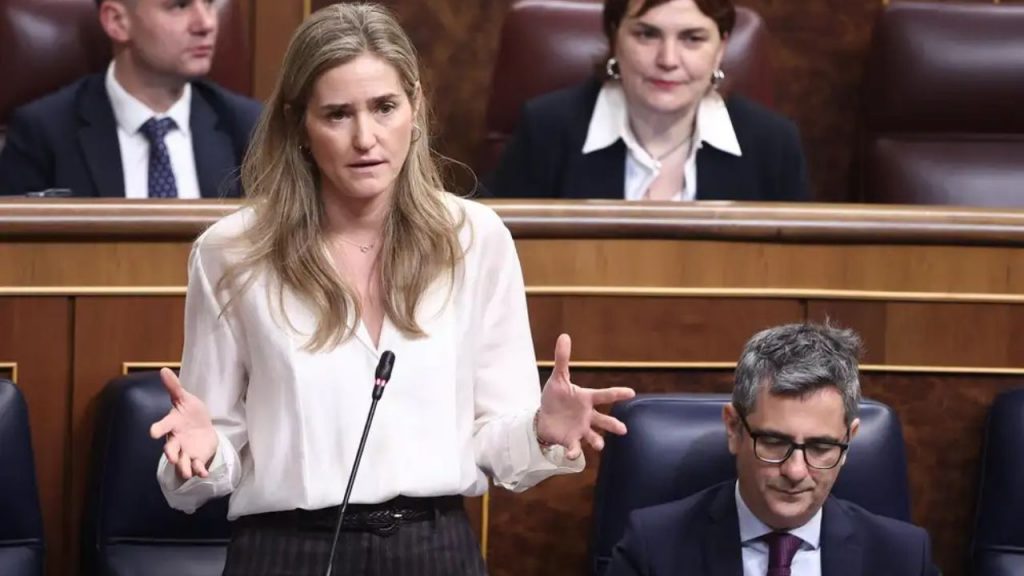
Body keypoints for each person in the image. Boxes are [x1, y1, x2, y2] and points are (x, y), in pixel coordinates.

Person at [148, 4, 635, 575]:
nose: (366, 138)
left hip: (434, 548)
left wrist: (540, 432)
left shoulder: (474, 240)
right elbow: (211, 451)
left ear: (415, 107)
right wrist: (201, 454)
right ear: (298, 124)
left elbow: (494, 442)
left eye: (384, 107)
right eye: (337, 114)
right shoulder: (232, 252)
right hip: (286, 549)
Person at [606, 323, 940, 575]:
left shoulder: (904, 558)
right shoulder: (653, 548)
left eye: (821, 447)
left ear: (848, 440)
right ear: (734, 429)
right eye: (775, 442)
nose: (795, 471)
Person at [484, 0, 809, 202]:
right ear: (615, 38)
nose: (668, 59)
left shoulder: (773, 144)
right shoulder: (546, 130)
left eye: (692, 38)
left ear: (720, 49)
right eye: (647, 34)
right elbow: (493, 257)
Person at [0, 0, 260, 198]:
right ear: (117, 21)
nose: (206, 24)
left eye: (209, 3)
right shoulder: (44, 133)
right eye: (180, 6)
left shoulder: (251, 127)